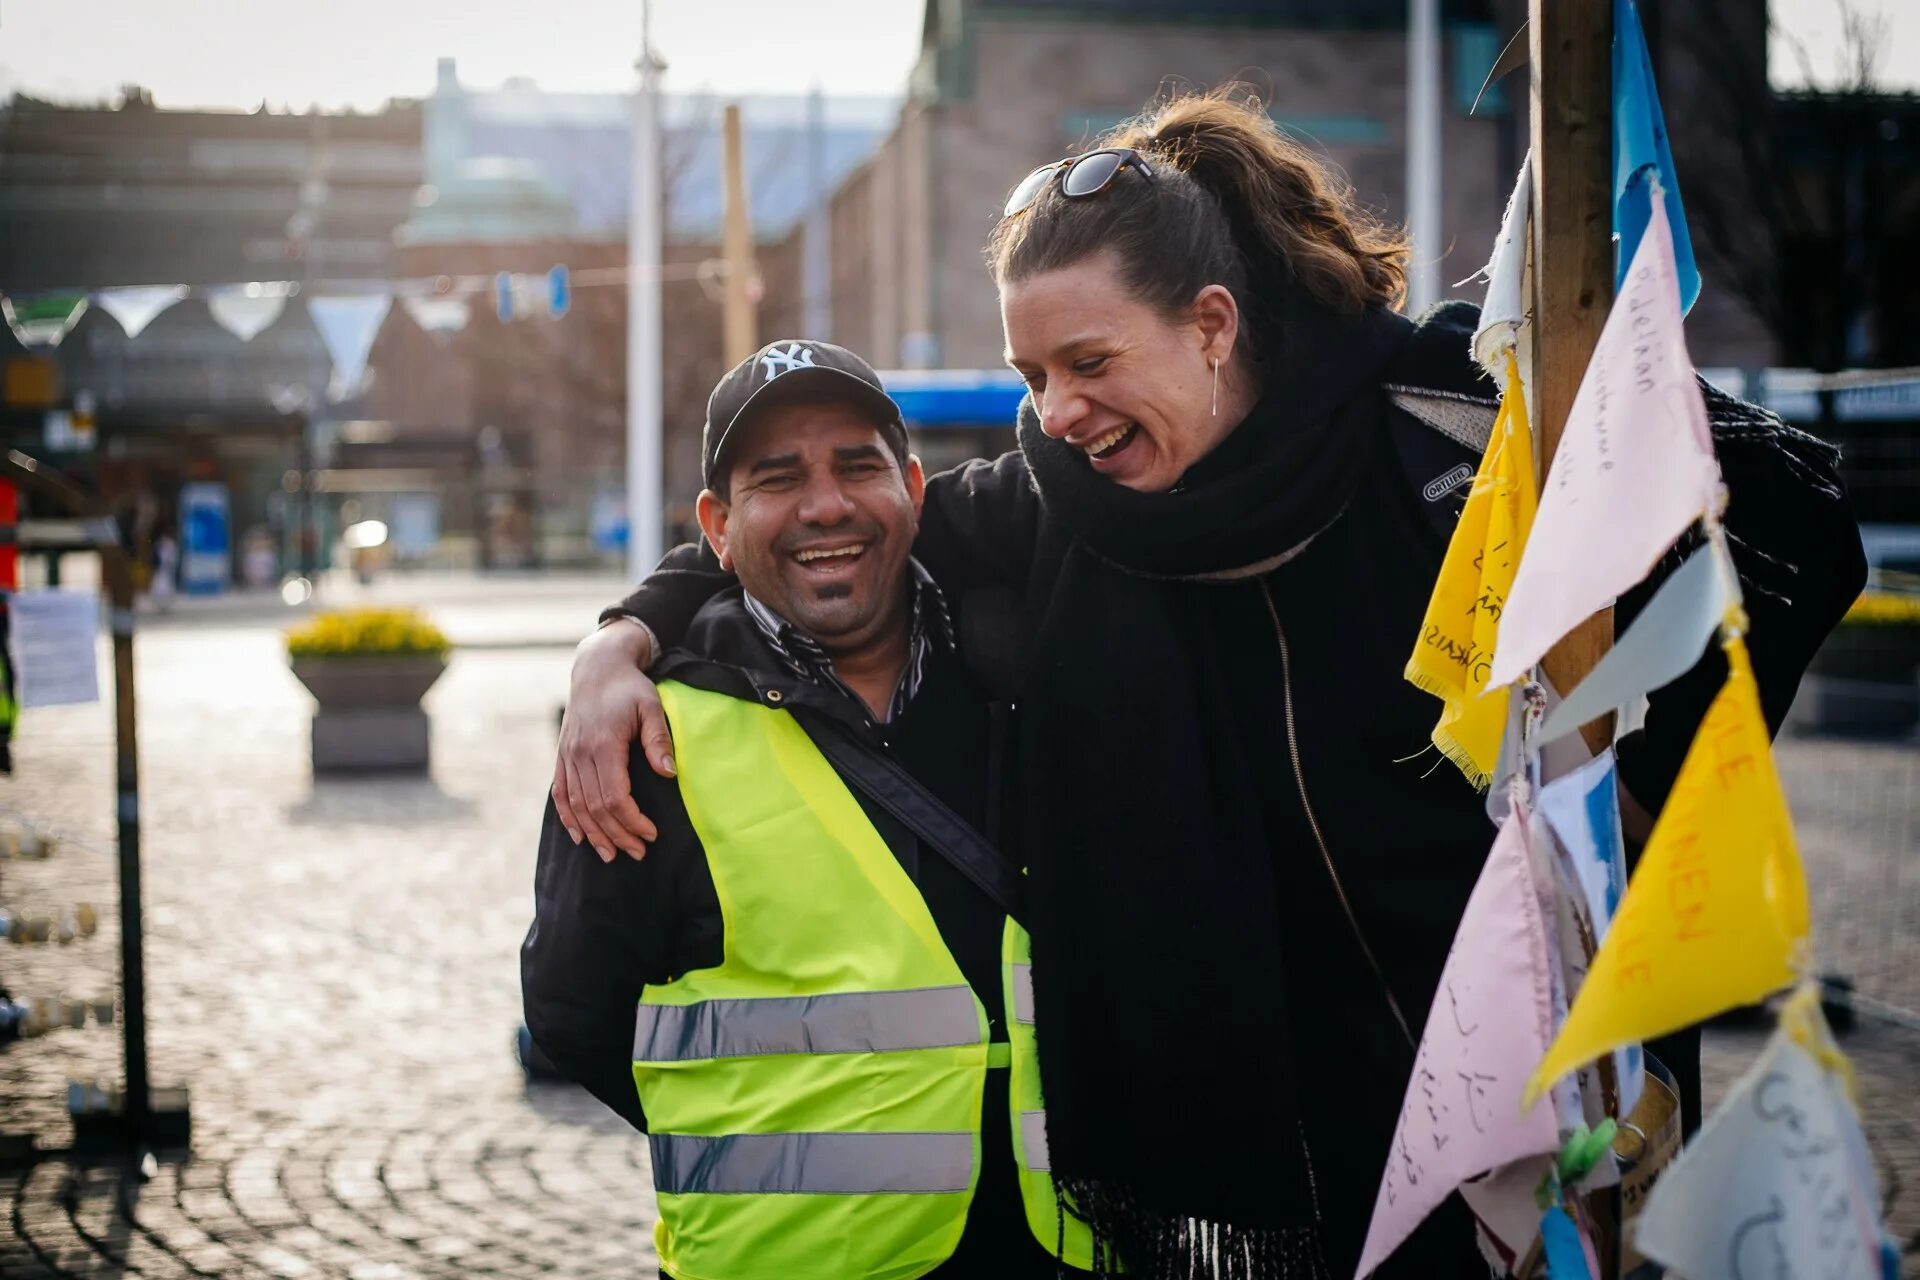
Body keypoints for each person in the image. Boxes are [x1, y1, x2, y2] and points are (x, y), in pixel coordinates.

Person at [556, 88, 1864, 1277]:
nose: (1055, 411)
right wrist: (619, 643)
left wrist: (1632, 782)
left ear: (1213, 324)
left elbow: (1798, 527)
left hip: (1498, 1122)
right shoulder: (1058, 502)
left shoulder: (1452, 429)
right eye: (1031, 376)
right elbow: (827, 535)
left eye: (1088, 363)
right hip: (1241, 1176)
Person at [522, 341, 1093, 1280]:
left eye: (858, 466)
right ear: (717, 523)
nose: (826, 505)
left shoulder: (1025, 670)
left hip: (1057, 1248)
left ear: (913, 486)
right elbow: (573, 1013)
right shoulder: (650, 739)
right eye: (778, 479)